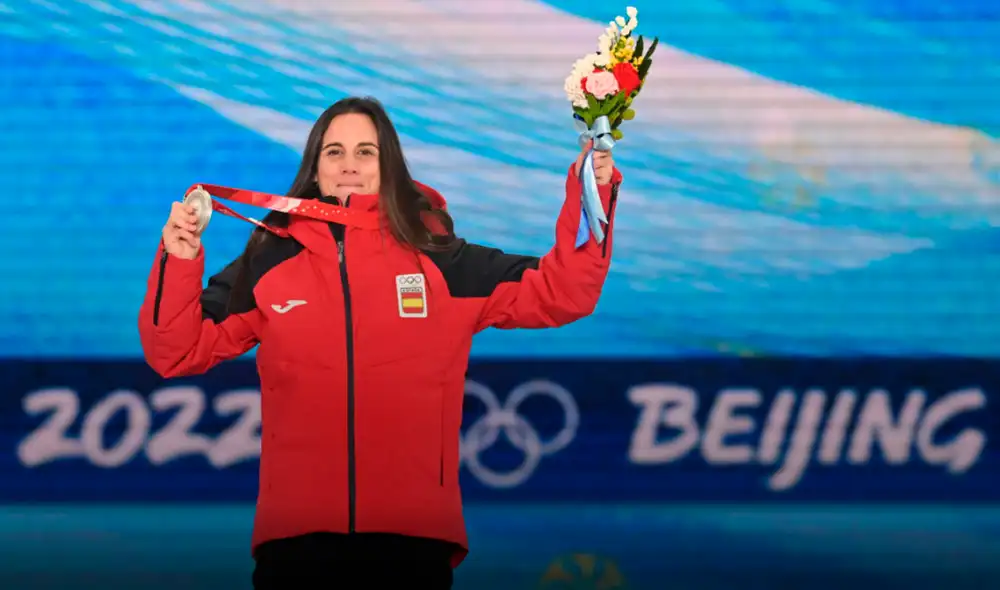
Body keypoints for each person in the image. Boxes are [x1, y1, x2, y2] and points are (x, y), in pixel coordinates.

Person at [138, 96, 621, 588]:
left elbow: (563, 292)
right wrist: (179, 260)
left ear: (389, 165)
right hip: (297, 544)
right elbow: (176, 350)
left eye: (366, 152)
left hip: (410, 544)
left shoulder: (442, 262)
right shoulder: (270, 260)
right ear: (315, 168)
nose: (349, 165)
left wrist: (592, 192)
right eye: (334, 152)